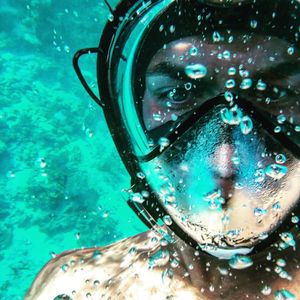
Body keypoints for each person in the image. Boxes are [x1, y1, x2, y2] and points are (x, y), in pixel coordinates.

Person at [26, 0, 300, 298]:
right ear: (131, 115)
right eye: (178, 93)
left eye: (276, 93)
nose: (227, 163)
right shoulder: (70, 286)